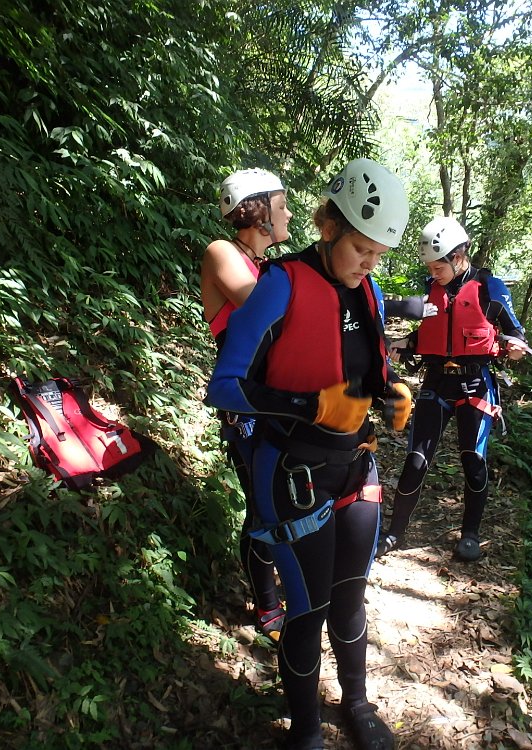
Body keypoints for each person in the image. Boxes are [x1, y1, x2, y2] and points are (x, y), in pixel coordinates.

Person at [205, 158, 413, 750]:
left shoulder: (368, 290)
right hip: (294, 471)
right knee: (310, 607)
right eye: (361, 249)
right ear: (329, 227)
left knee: (350, 597)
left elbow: (370, 371)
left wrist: (391, 392)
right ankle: (305, 731)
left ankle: (357, 703)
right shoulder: (281, 282)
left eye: (379, 254)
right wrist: (309, 406)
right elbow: (225, 387)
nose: (370, 263)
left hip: (355, 465)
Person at [376, 216, 530, 562]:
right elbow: (434, 333)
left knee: (473, 459)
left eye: (438, 266)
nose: (433, 273)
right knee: (416, 459)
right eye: (430, 267)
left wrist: (515, 347)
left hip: (475, 384)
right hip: (436, 381)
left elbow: (515, 334)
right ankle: (395, 533)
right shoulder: (434, 289)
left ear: (459, 257)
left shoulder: (489, 288)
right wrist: (407, 343)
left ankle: (470, 535)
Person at [201, 168, 293, 642]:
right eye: (282, 205)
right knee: (262, 507)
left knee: (285, 500)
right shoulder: (222, 252)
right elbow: (264, 307)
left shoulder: (269, 266)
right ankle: (268, 606)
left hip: (276, 402)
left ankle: (287, 586)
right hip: (245, 406)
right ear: (258, 211)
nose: (289, 213)